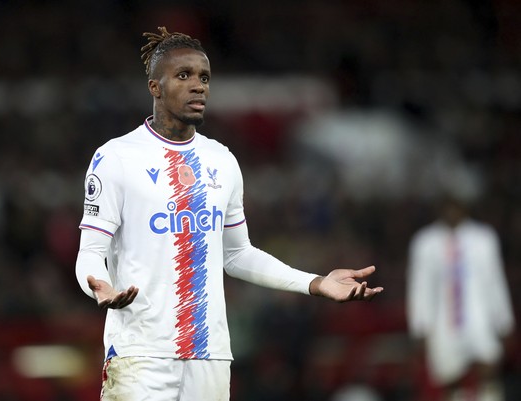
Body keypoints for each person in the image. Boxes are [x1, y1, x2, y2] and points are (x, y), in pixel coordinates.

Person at [75, 26, 383, 401]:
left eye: (204, 77)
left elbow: (237, 253)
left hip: (211, 355)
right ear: (155, 87)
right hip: (142, 354)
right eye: (183, 76)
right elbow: (91, 250)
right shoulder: (116, 158)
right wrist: (99, 286)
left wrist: (315, 283)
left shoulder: (221, 160)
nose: (198, 86)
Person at [407, 195, 515, 401]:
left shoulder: (484, 238)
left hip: (479, 315)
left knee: (488, 366)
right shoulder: (425, 242)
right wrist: (420, 327)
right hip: (442, 320)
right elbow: (420, 287)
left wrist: (504, 320)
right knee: (449, 376)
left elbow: (495, 281)